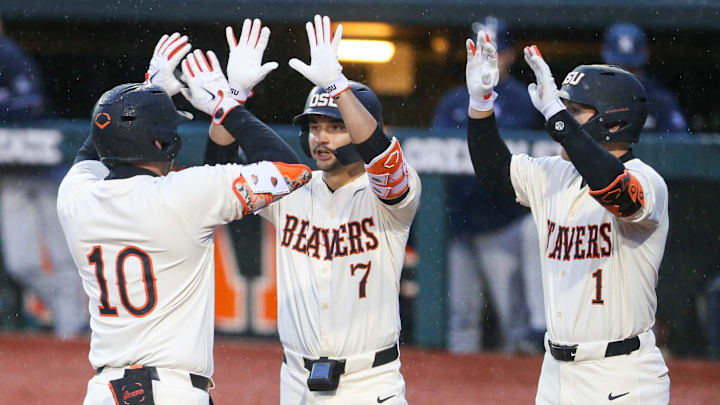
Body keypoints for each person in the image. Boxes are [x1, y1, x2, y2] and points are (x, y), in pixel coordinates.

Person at [57, 22, 311, 405]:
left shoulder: (75, 198)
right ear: (163, 143)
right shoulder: (182, 195)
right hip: (172, 391)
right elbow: (293, 170)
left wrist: (146, 89)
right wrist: (226, 103)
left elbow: (92, 147)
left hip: (104, 392)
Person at [464, 31, 670, 404]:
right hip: (556, 373)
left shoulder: (648, 181)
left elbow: (616, 191)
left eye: (575, 110)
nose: (558, 117)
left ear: (612, 122)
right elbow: (494, 171)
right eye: (564, 109)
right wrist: (481, 103)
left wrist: (560, 121)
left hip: (621, 372)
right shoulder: (555, 175)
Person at [239, 15, 419, 405]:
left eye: (334, 127)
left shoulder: (390, 195)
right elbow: (216, 166)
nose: (320, 137)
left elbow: (383, 160)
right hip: (296, 382)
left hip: (368, 382)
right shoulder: (291, 190)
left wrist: (338, 87)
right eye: (314, 127)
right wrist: (231, 99)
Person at [433, 16, 545, 353]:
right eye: (481, 50)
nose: (489, 57)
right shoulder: (453, 101)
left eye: (496, 50)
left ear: (510, 54)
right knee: (461, 320)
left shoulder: (525, 100)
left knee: (515, 321)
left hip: (504, 221)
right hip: (460, 222)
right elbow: (434, 153)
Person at [0, 16, 86, 337]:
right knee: (21, 262)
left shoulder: (8, 54)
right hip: (10, 175)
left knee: (63, 257)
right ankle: (74, 319)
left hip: (45, 168)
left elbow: (32, 104)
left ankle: (72, 331)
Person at [602, 22, 686, 133]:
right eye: (618, 67)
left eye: (631, 68)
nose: (625, 73)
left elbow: (679, 142)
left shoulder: (659, 99)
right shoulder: (590, 96)